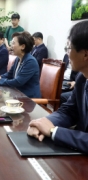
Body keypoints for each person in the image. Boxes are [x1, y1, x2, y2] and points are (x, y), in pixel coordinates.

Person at [27, 20, 88, 153]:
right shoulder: (82, 78)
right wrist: (41, 123)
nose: (67, 54)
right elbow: (68, 111)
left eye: (68, 48)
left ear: (85, 54)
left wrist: (53, 131)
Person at [0, 31, 41, 98]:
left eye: (13, 43)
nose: (11, 46)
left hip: (29, 99)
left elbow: (18, 82)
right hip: (17, 95)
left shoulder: (30, 61)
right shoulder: (18, 59)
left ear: (22, 46)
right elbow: (9, 74)